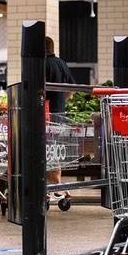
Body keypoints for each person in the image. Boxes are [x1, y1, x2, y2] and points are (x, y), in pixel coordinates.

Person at [45, 36, 76, 200]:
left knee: (46, 150)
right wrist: (60, 101)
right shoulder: (62, 63)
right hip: (59, 114)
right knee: (53, 149)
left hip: (45, 115)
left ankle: (53, 185)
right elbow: (71, 90)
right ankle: (56, 185)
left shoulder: (41, 65)